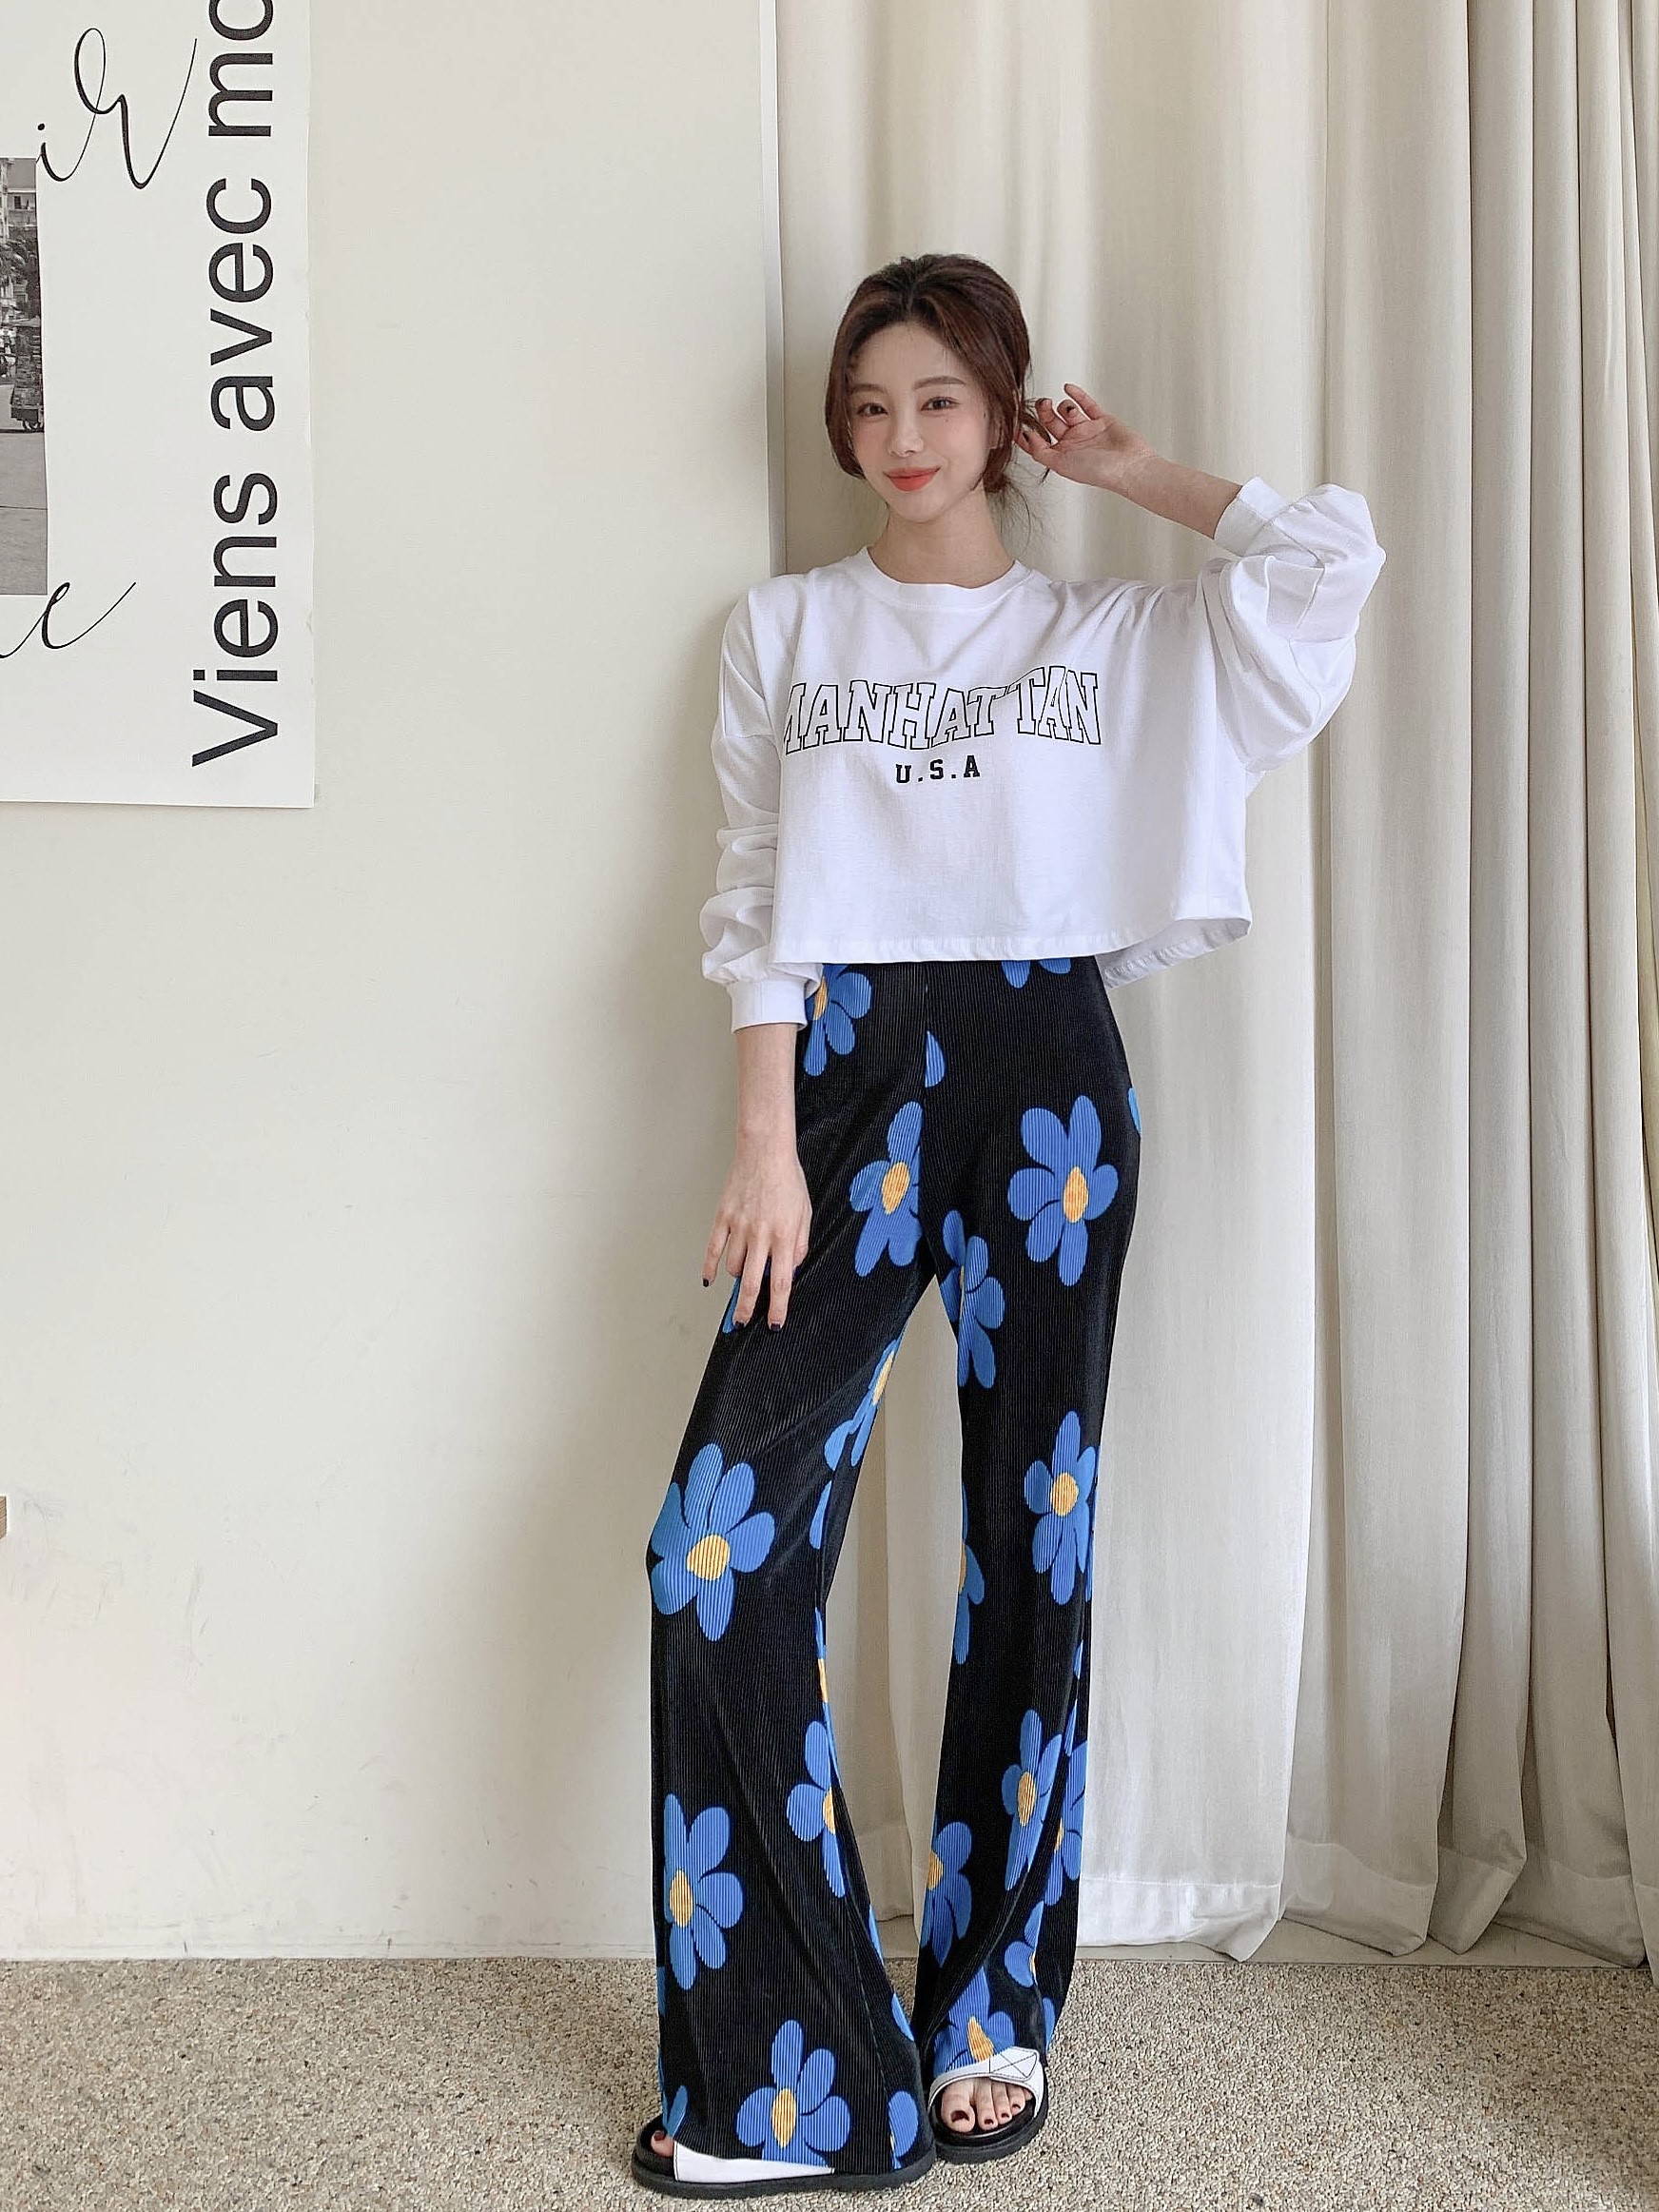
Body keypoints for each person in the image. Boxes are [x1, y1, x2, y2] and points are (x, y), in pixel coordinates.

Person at [633, 252, 1385, 2199]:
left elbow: (1325, 572)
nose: (901, 438)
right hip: (843, 1078)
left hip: (1048, 1072)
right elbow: (752, 890)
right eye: (870, 406)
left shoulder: (1104, 630)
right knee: (713, 1550)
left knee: (1026, 1548)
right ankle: (800, 2080)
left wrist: (1136, 475)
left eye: (940, 402)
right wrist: (765, 1134)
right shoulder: (783, 628)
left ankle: (988, 2010)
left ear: (1001, 416)